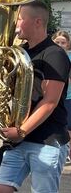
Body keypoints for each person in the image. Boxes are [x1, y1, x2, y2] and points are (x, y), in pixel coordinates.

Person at [0, 1, 70, 193]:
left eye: (19, 19)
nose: (15, 23)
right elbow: (7, 87)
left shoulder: (55, 54)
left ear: (37, 22)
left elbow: (50, 101)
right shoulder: (22, 52)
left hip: (46, 140)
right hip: (19, 139)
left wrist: (21, 131)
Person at [51, 30, 71, 164]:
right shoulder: (50, 56)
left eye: (63, 42)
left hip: (68, 97)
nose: (60, 44)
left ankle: (68, 150)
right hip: (53, 97)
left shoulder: (69, 58)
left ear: (68, 44)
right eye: (57, 42)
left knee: (68, 127)